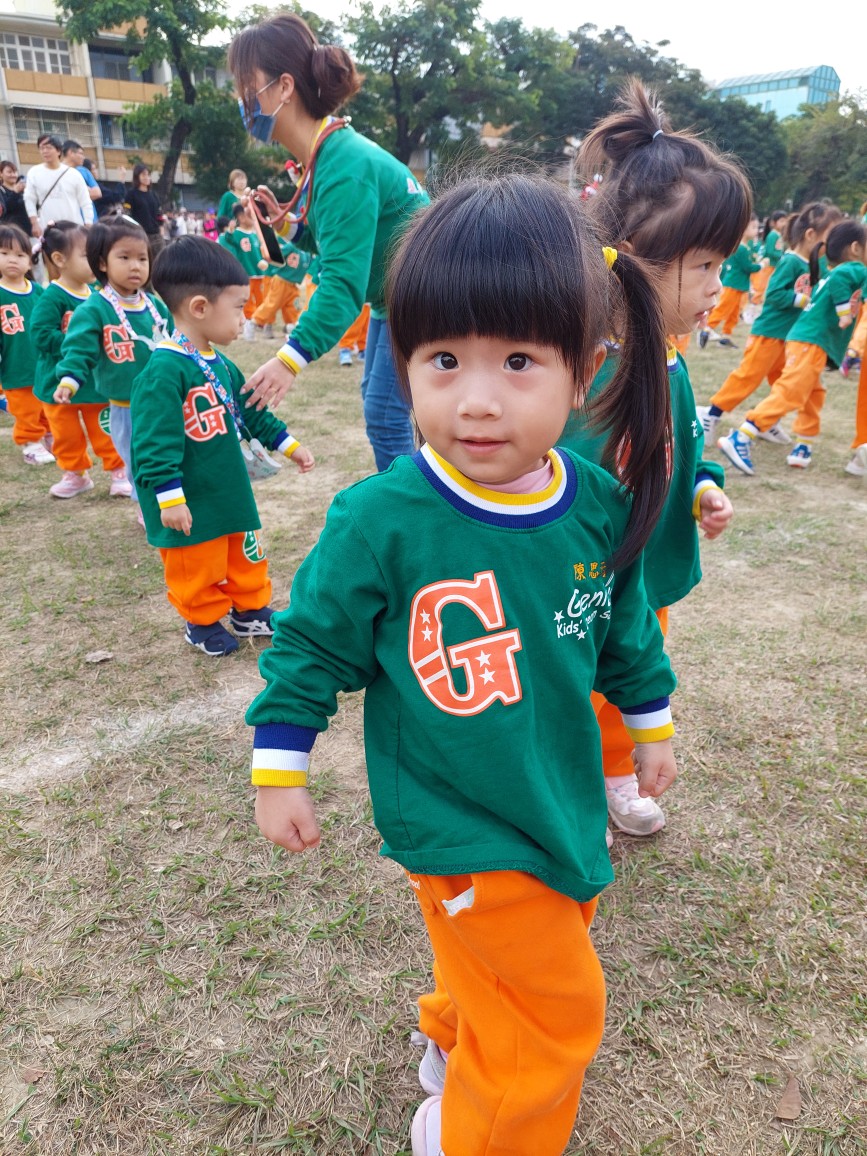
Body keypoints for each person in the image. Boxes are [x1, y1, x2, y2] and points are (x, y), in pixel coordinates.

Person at [246, 172, 678, 1156]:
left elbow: (624, 628)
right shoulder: (380, 519)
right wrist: (279, 767)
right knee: (557, 1007)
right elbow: (311, 644)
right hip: (459, 819)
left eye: (518, 361)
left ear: (585, 370)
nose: (476, 400)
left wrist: (648, 723)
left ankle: (455, 1040)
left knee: (534, 938)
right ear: (401, 361)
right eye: (443, 359)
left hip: (557, 798)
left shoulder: (596, 504)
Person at [560, 80, 741, 842]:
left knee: (632, 673)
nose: (718, 288)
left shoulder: (668, 357)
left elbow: (681, 445)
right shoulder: (586, 371)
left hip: (646, 566)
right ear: (633, 259)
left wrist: (702, 487)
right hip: (588, 575)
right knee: (578, 681)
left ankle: (612, 772)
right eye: (705, 266)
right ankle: (572, 787)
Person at [229, 12, 429, 470]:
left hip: (421, 295)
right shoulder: (329, 155)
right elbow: (342, 243)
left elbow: (342, 282)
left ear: (283, 87)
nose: (242, 101)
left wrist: (289, 359)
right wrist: (286, 227)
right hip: (399, 297)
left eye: (247, 86)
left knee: (386, 415)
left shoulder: (343, 165)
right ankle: (414, 495)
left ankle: (410, 503)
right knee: (381, 405)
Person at [129, 237, 313, 655]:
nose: (244, 317)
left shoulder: (221, 363)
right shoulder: (163, 370)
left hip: (229, 489)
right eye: (238, 307)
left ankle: (250, 609)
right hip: (190, 495)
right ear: (200, 307)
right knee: (197, 560)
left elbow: (252, 411)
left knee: (245, 552)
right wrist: (169, 497)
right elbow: (152, 442)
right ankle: (201, 619)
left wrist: (289, 445)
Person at [718, 220, 867, 474]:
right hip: (810, 342)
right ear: (855, 248)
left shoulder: (841, 271)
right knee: (792, 392)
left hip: (807, 341)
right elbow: (842, 283)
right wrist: (844, 313)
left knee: (814, 393)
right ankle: (743, 434)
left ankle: (804, 443)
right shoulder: (852, 269)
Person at [54, 218, 172, 524]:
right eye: (125, 257)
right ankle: (147, 505)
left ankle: (173, 498)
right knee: (137, 458)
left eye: (142, 258)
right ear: (102, 263)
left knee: (168, 451)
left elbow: (177, 340)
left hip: (163, 400)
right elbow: (78, 347)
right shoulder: (94, 309)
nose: (136, 266)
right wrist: (70, 378)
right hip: (125, 406)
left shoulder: (155, 306)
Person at [697, 201, 843, 445]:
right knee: (749, 376)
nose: (833, 245)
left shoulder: (816, 265)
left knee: (783, 383)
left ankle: (768, 423)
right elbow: (773, 294)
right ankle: (712, 414)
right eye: (830, 237)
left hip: (791, 338)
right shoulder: (791, 262)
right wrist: (800, 299)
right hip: (769, 333)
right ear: (811, 235)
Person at [30, 221, 128, 499]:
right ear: (60, 259)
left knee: (106, 429)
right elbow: (40, 335)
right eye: (87, 256)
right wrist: (78, 344)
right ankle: (75, 473)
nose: (96, 261)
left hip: (95, 382)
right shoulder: (52, 297)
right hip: (57, 381)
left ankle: (119, 471)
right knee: (65, 434)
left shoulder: (99, 296)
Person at [0, 223, 51, 462]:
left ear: (30, 262)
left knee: (46, 405)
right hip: (14, 365)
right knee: (26, 409)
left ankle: (49, 435)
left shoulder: (39, 293)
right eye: (4, 253)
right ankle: (31, 444)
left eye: (20, 255)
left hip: (41, 364)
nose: (13, 259)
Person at [698, 214, 762, 348]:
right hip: (733, 285)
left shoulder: (746, 247)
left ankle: (726, 337)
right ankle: (706, 330)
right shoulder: (741, 248)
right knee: (723, 309)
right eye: (753, 227)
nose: (756, 230)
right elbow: (748, 267)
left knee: (734, 313)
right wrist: (761, 265)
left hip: (740, 285)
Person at [24, 134, 94, 236]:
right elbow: (29, 199)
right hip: (47, 229)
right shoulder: (34, 173)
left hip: (73, 229)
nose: (45, 151)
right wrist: (34, 223)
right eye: (41, 148)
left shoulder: (73, 174)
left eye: (48, 147)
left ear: (58, 151)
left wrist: (88, 224)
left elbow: (85, 201)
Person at [219, 200, 270, 338]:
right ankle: (248, 322)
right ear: (241, 217)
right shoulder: (237, 233)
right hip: (247, 273)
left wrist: (263, 261)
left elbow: (260, 251)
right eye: (250, 215)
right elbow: (228, 238)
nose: (253, 218)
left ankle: (260, 321)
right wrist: (230, 230)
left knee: (262, 298)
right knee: (247, 300)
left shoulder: (254, 234)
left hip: (259, 273)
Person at [749, 209, 787, 309]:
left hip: (774, 265)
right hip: (768, 265)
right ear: (774, 223)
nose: (784, 224)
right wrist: (781, 256)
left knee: (768, 285)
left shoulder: (778, 235)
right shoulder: (773, 235)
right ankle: (753, 304)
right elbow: (770, 251)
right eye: (781, 221)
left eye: (785, 221)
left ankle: (758, 302)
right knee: (761, 286)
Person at [125, 164, 165, 256]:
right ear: (137, 176)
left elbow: (159, 214)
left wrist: (161, 230)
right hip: (140, 235)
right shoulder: (131, 194)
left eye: (148, 175)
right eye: (143, 175)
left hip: (156, 236)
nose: (146, 177)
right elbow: (127, 215)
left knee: (161, 260)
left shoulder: (154, 195)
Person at [61, 140, 101, 210]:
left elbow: (97, 193)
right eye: (81, 153)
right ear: (71, 153)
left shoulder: (84, 171)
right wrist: (85, 189)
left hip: (89, 215)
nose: (83, 157)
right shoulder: (56, 173)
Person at [0, 160, 32, 235]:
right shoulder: (1, 191)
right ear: (1, 174)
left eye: (15, 172)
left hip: (30, 230)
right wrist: (15, 192)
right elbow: (5, 209)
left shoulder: (24, 189)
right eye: (9, 172)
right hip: (12, 233)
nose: (13, 175)